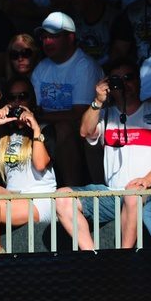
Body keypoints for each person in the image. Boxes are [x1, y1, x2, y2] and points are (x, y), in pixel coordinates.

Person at [55, 58, 151, 250]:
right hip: (113, 193)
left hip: (150, 192)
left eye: (128, 78)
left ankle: (123, 260)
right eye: (116, 79)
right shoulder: (105, 114)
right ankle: (92, 256)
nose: (123, 84)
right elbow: (85, 131)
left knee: (133, 195)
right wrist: (98, 101)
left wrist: (147, 180)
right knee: (61, 197)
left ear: (139, 81)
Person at [0, 77, 56, 253]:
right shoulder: (4, 134)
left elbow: (40, 164)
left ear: (31, 100)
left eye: (22, 96)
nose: (17, 102)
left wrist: (35, 129)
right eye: (12, 97)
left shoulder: (45, 129)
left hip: (40, 201)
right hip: (13, 197)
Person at [30, 12, 103, 186]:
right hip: (47, 128)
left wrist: (40, 118)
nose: (47, 42)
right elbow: (36, 108)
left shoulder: (84, 66)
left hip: (86, 132)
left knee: (63, 128)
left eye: (53, 36)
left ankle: (71, 190)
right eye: (44, 37)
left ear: (70, 37)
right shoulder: (42, 67)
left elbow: (79, 113)